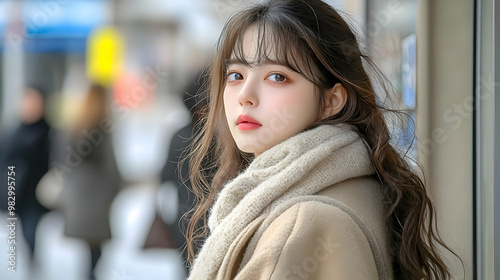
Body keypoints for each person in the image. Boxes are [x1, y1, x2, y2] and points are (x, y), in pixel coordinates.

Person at [183, 1, 461, 279]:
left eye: (277, 76)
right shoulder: (361, 183)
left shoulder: (303, 224)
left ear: (332, 100)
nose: (245, 94)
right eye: (235, 75)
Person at [59, 84, 121, 280]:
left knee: (88, 244)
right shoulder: (103, 127)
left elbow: (63, 160)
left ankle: (88, 273)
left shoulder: (75, 126)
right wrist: (116, 188)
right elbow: (110, 165)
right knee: (97, 245)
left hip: (78, 193)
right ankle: (91, 274)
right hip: (98, 194)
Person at [0, 86, 51, 263]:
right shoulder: (12, 132)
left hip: (37, 192)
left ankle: (32, 262)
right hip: (16, 191)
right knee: (19, 232)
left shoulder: (48, 132)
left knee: (30, 230)